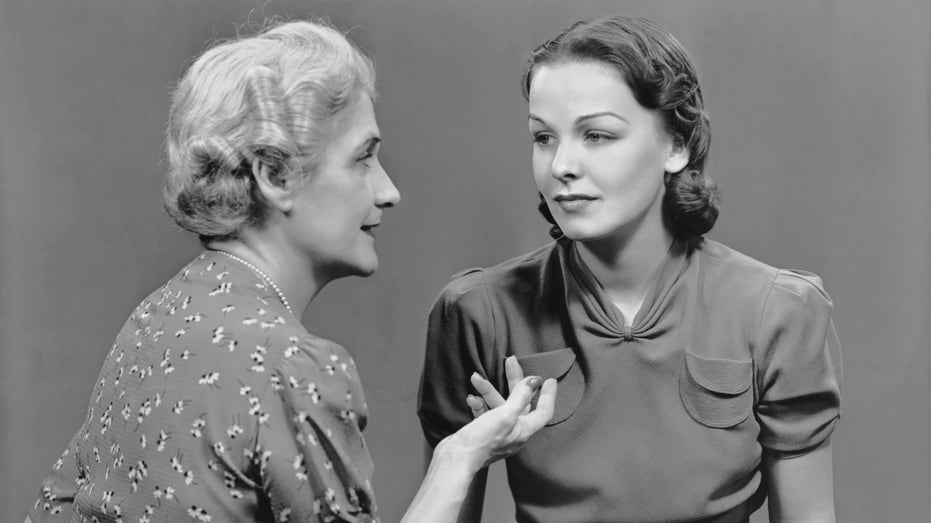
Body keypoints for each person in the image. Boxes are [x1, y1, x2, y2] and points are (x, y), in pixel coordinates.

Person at [27, 19, 557, 523]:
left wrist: (459, 449)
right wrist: (459, 459)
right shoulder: (293, 367)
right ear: (274, 174)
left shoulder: (155, 318)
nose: (388, 191)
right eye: (363, 158)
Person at [418, 14, 841, 522]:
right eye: (543, 137)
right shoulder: (478, 312)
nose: (561, 166)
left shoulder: (778, 313)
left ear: (676, 145)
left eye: (596, 135)